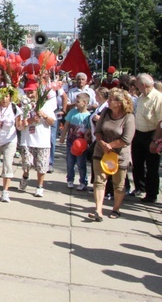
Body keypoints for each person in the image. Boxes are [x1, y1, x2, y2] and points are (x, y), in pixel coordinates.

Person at [89, 88, 135, 221]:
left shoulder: (129, 117)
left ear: (120, 103)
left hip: (119, 155)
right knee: (99, 180)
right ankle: (98, 209)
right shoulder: (105, 112)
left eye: (111, 100)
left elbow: (126, 139)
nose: (108, 102)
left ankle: (116, 209)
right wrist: (102, 143)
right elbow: (97, 130)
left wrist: (111, 145)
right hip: (101, 151)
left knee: (118, 184)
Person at [19, 79, 56, 197]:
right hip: (27, 140)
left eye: (32, 92)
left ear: (38, 92)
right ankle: (25, 176)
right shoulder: (24, 105)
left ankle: (39, 186)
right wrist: (30, 120)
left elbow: (51, 122)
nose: (30, 95)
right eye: (27, 92)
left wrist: (44, 115)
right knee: (26, 164)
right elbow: (20, 125)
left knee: (41, 166)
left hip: (42, 141)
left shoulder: (46, 104)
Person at [131, 73, 162, 203]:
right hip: (138, 133)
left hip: (152, 134)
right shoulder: (141, 97)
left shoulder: (158, 98)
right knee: (137, 163)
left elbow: (161, 122)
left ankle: (151, 193)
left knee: (152, 166)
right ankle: (140, 187)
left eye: (137, 85)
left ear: (143, 85)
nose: (136, 87)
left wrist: (155, 141)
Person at [61, 92, 92, 190]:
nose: (76, 103)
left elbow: (89, 130)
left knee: (81, 163)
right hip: (71, 141)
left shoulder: (88, 116)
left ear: (85, 103)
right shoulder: (72, 112)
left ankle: (83, 181)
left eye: (78, 102)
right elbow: (66, 124)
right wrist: (63, 136)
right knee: (70, 162)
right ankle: (70, 179)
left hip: (81, 144)